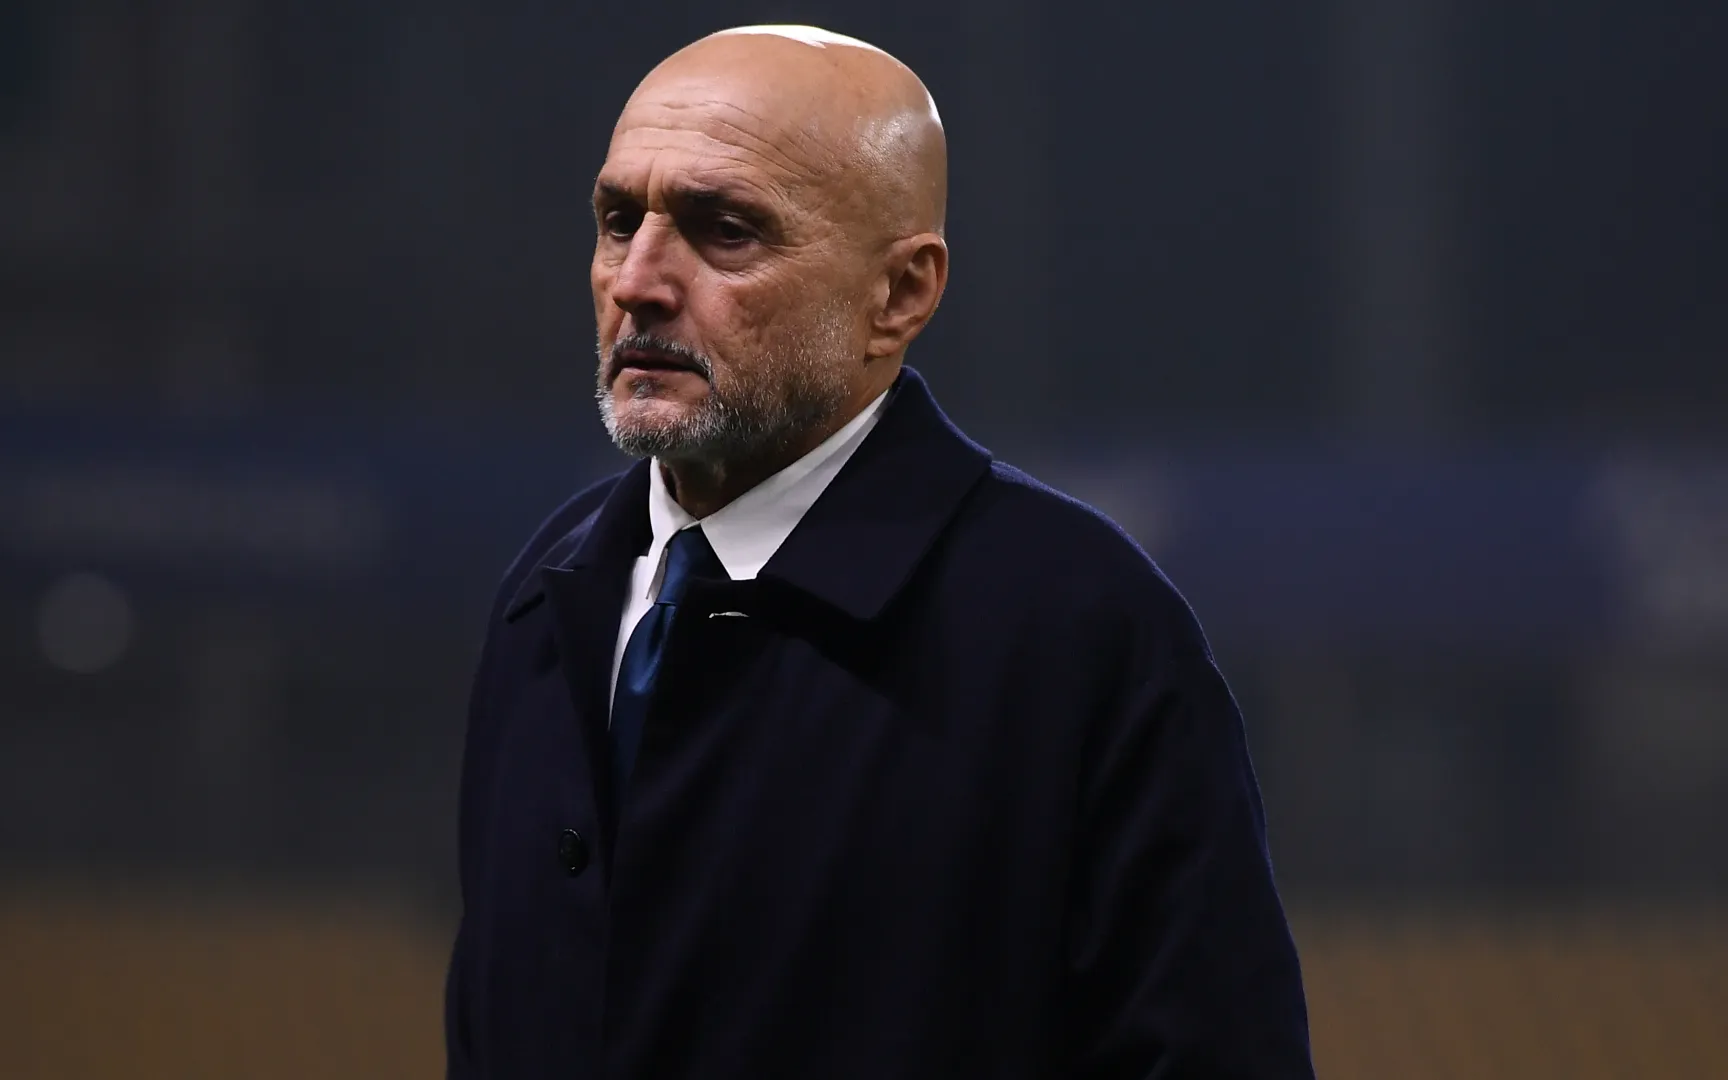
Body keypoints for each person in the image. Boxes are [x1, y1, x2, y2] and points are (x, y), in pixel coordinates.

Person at [446, 24, 1313, 1080]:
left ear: (900, 295)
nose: (638, 281)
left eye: (725, 231)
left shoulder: (1080, 628)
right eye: (620, 219)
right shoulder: (547, 595)